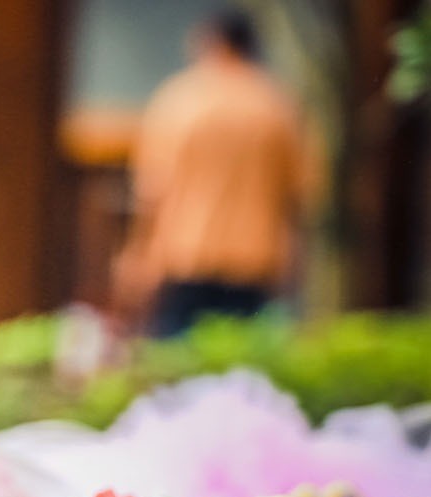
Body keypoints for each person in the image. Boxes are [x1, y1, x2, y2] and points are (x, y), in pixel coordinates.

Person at [118, 8, 312, 337]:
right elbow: (300, 191)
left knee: (177, 363)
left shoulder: (179, 100)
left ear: (212, 43)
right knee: (245, 367)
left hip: (185, 252)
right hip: (257, 256)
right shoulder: (277, 105)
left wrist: (137, 253)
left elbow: (151, 189)